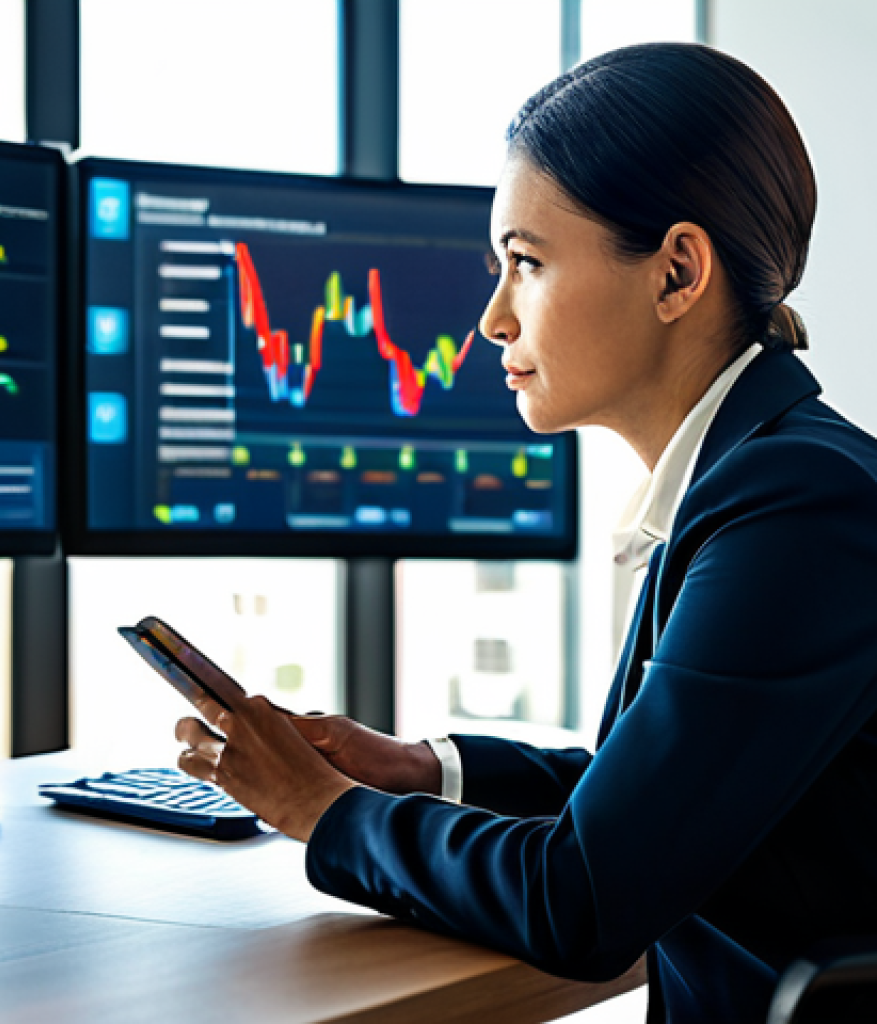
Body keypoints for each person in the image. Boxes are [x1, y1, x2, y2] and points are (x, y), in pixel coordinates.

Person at [175, 43, 877, 1023]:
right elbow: (650, 800)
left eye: (527, 263)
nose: (492, 319)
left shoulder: (799, 505)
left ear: (676, 270)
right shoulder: (763, 476)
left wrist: (323, 810)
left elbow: (584, 895)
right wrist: (424, 770)